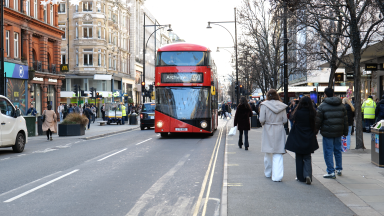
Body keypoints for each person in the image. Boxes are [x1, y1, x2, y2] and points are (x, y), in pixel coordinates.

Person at [315, 88, 348, 179]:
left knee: (328, 151)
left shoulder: (322, 106)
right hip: (338, 131)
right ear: (333, 94)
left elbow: (318, 121)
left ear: (325, 94)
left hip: (327, 132)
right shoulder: (341, 105)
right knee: (337, 150)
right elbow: (345, 120)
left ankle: (330, 171)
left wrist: (315, 132)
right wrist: (345, 132)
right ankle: (339, 169)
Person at [285, 96, 319, 185]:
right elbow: (315, 124)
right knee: (307, 157)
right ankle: (308, 175)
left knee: (299, 156)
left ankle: (300, 177)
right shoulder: (312, 112)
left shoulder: (297, 112)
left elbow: (291, 118)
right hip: (309, 135)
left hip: (298, 135)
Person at [259, 89, 288, 182]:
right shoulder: (282, 106)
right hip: (279, 129)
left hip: (268, 129)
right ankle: (277, 176)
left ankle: (268, 173)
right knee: (278, 153)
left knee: (268, 152)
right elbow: (285, 120)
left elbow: (262, 119)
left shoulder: (264, 105)